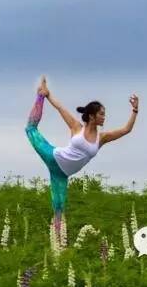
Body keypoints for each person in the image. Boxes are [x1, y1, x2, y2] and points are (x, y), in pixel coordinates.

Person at [25, 75, 138, 235]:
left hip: (62, 175)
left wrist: (135, 109)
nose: (104, 117)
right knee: (30, 129)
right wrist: (47, 94)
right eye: (101, 114)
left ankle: (57, 245)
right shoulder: (77, 127)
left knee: (59, 208)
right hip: (53, 156)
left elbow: (127, 129)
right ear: (92, 116)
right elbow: (60, 108)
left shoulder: (102, 138)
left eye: (104, 114)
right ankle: (39, 96)